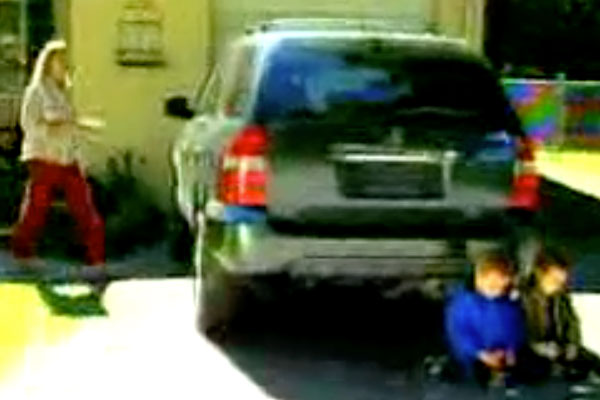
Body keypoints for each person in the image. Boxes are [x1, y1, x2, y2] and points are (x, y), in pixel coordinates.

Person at [11, 39, 106, 290]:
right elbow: (31, 125)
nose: (64, 65)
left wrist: (80, 129)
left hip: (66, 160)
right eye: (59, 60)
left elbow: (68, 124)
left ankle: (96, 262)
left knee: (85, 208)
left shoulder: (61, 93)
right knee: (35, 210)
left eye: (65, 61)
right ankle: (23, 256)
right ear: (48, 63)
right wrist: (63, 126)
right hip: (43, 159)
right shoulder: (36, 92)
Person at [445, 250, 526, 388]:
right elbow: (459, 333)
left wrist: (510, 350)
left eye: (501, 288)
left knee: (528, 367)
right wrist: (481, 354)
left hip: (500, 352)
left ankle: (502, 373)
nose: (496, 292)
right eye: (491, 286)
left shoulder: (508, 303)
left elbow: (515, 328)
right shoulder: (463, 302)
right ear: (478, 278)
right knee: (469, 372)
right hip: (474, 354)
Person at [520, 247, 600, 381]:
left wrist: (572, 344)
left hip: (559, 347)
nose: (559, 285)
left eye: (561, 281)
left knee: (592, 360)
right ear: (541, 274)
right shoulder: (522, 296)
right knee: (535, 369)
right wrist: (536, 346)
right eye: (554, 280)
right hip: (532, 349)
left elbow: (572, 322)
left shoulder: (561, 297)